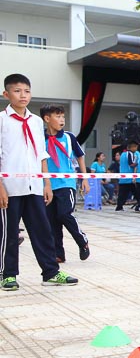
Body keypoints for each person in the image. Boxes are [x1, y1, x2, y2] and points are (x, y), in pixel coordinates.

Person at [0, 74, 78, 290]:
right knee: (9, 234)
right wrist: (1, 188)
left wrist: (46, 183)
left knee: (43, 231)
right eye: (17, 91)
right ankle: (7, 275)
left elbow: (41, 154)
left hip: (35, 185)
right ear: (6, 94)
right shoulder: (2, 120)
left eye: (26, 91)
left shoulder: (35, 121)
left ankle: (51, 272)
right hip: (10, 188)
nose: (22, 95)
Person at [40, 104, 90, 264]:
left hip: (66, 183)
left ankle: (82, 241)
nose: (62, 120)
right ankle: (58, 254)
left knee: (64, 214)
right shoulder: (40, 138)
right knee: (52, 220)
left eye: (63, 117)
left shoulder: (69, 137)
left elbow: (80, 156)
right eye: (58, 116)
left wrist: (84, 178)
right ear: (47, 119)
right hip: (47, 185)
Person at [115, 141, 139, 211]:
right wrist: (138, 163)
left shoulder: (122, 154)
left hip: (122, 177)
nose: (136, 149)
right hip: (128, 177)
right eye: (136, 147)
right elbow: (131, 164)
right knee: (135, 192)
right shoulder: (130, 153)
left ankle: (119, 206)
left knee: (122, 193)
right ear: (132, 147)